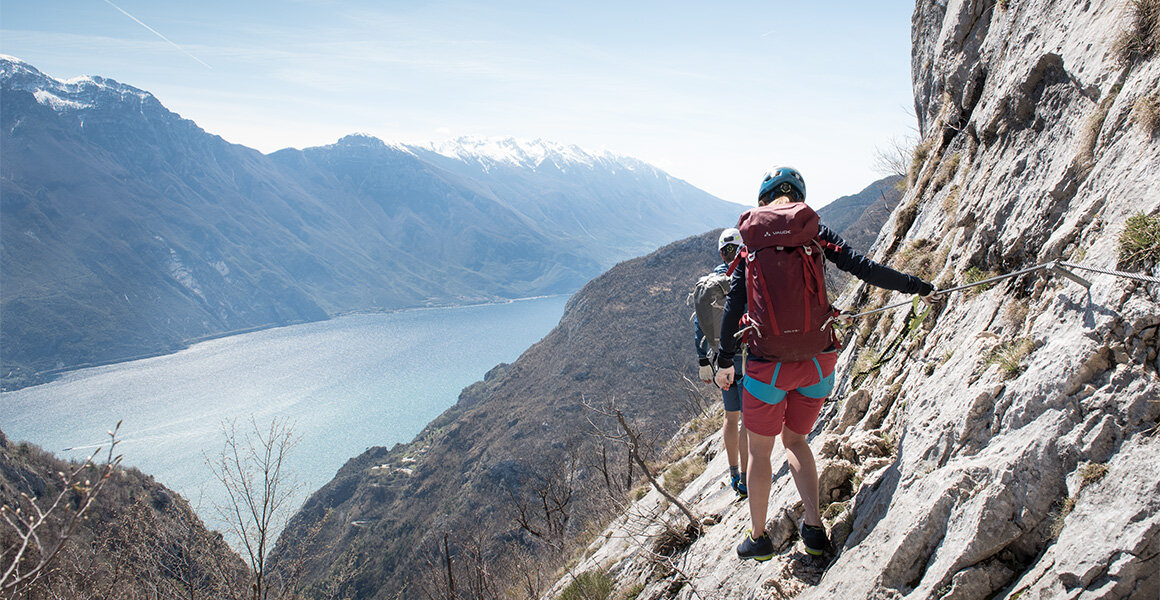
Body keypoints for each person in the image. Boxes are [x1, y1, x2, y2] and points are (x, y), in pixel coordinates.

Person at [715, 166, 935, 561]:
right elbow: (863, 267)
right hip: (819, 363)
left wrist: (724, 360)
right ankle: (815, 529)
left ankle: (759, 538)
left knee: (762, 453)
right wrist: (916, 285)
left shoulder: (750, 244)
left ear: (764, 200)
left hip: (768, 368)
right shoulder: (813, 231)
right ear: (798, 196)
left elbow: (735, 306)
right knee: (796, 441)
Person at [694, 228, 749, 499]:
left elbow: (699, 325)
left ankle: (734, 473)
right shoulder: (747, 273)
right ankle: (748, 479)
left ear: (720, 252)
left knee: (731, 418)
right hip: (749, 359)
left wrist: (703, 360)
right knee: (748, 422)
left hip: (721, 363)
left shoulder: (711, 283)